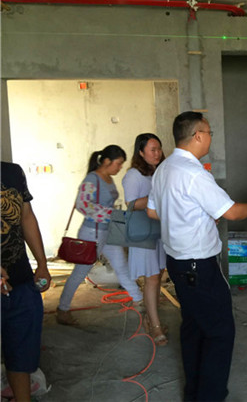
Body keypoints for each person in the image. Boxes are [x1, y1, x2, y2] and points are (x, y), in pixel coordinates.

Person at [147, 111, 247, 402]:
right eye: (209, 133)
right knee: (219, 332)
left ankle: (194, 393)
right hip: (198, 265)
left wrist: (194, 218)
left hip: (177, 262)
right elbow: (232, 212)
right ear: (198, 135)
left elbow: (153, 211)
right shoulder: (194, 173)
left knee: (193, 327)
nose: (210, 138)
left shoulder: (164, 168)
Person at [57, 145, 143, 325]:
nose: (120, 168)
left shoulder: (109, 179)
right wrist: (112, 214)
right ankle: (62, 310)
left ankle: (139, 300)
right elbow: (82, 205)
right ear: (106, 161)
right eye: (118, 163)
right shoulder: (92, 179)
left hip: (108, 231)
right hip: (92, 233)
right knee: (80, 272)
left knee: (121, 266)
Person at [1, 161, 52, 401]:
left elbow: (27, 217)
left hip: (21, 282)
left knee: (21, 355)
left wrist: (41, 263)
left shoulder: (12, 172)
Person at [122, 133, 168, 346]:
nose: (157, 153)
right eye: (152, 149)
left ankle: (152, 318)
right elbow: (131, 204)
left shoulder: (161, 171)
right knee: (151, 277)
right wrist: (156, 197)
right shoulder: (133, 175)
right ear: (141, 152)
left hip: (160, 229)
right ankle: (155, 326)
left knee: (157, 275)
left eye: (159, 148)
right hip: (144, 231)